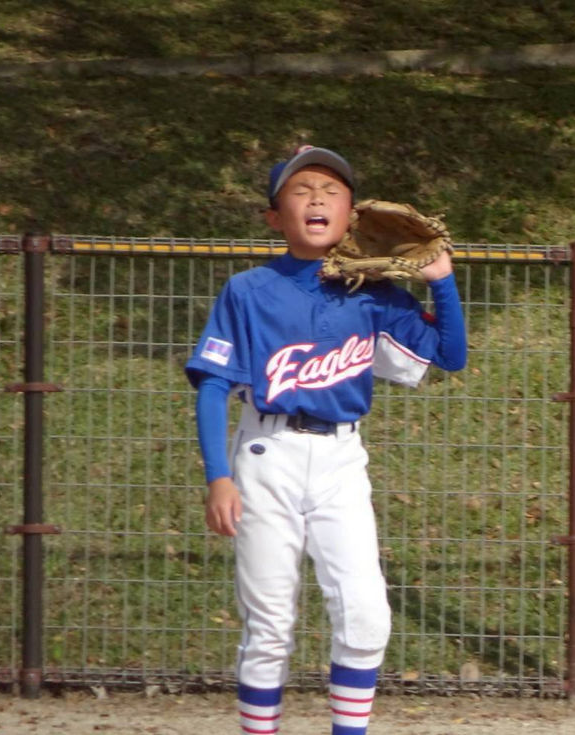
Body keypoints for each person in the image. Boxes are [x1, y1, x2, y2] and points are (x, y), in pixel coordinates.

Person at [185, 145, 467, 735]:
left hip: (341, 460)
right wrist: (218, 476)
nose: (317, 197)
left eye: (332, 190)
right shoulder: (248, 290)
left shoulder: (373, 293)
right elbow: (213, 385)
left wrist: (442, 281)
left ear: (351, 215)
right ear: (274, 216)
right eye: (301, 189)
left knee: (366, 615)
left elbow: (450, 355)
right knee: (268, 625)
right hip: (266, 456)